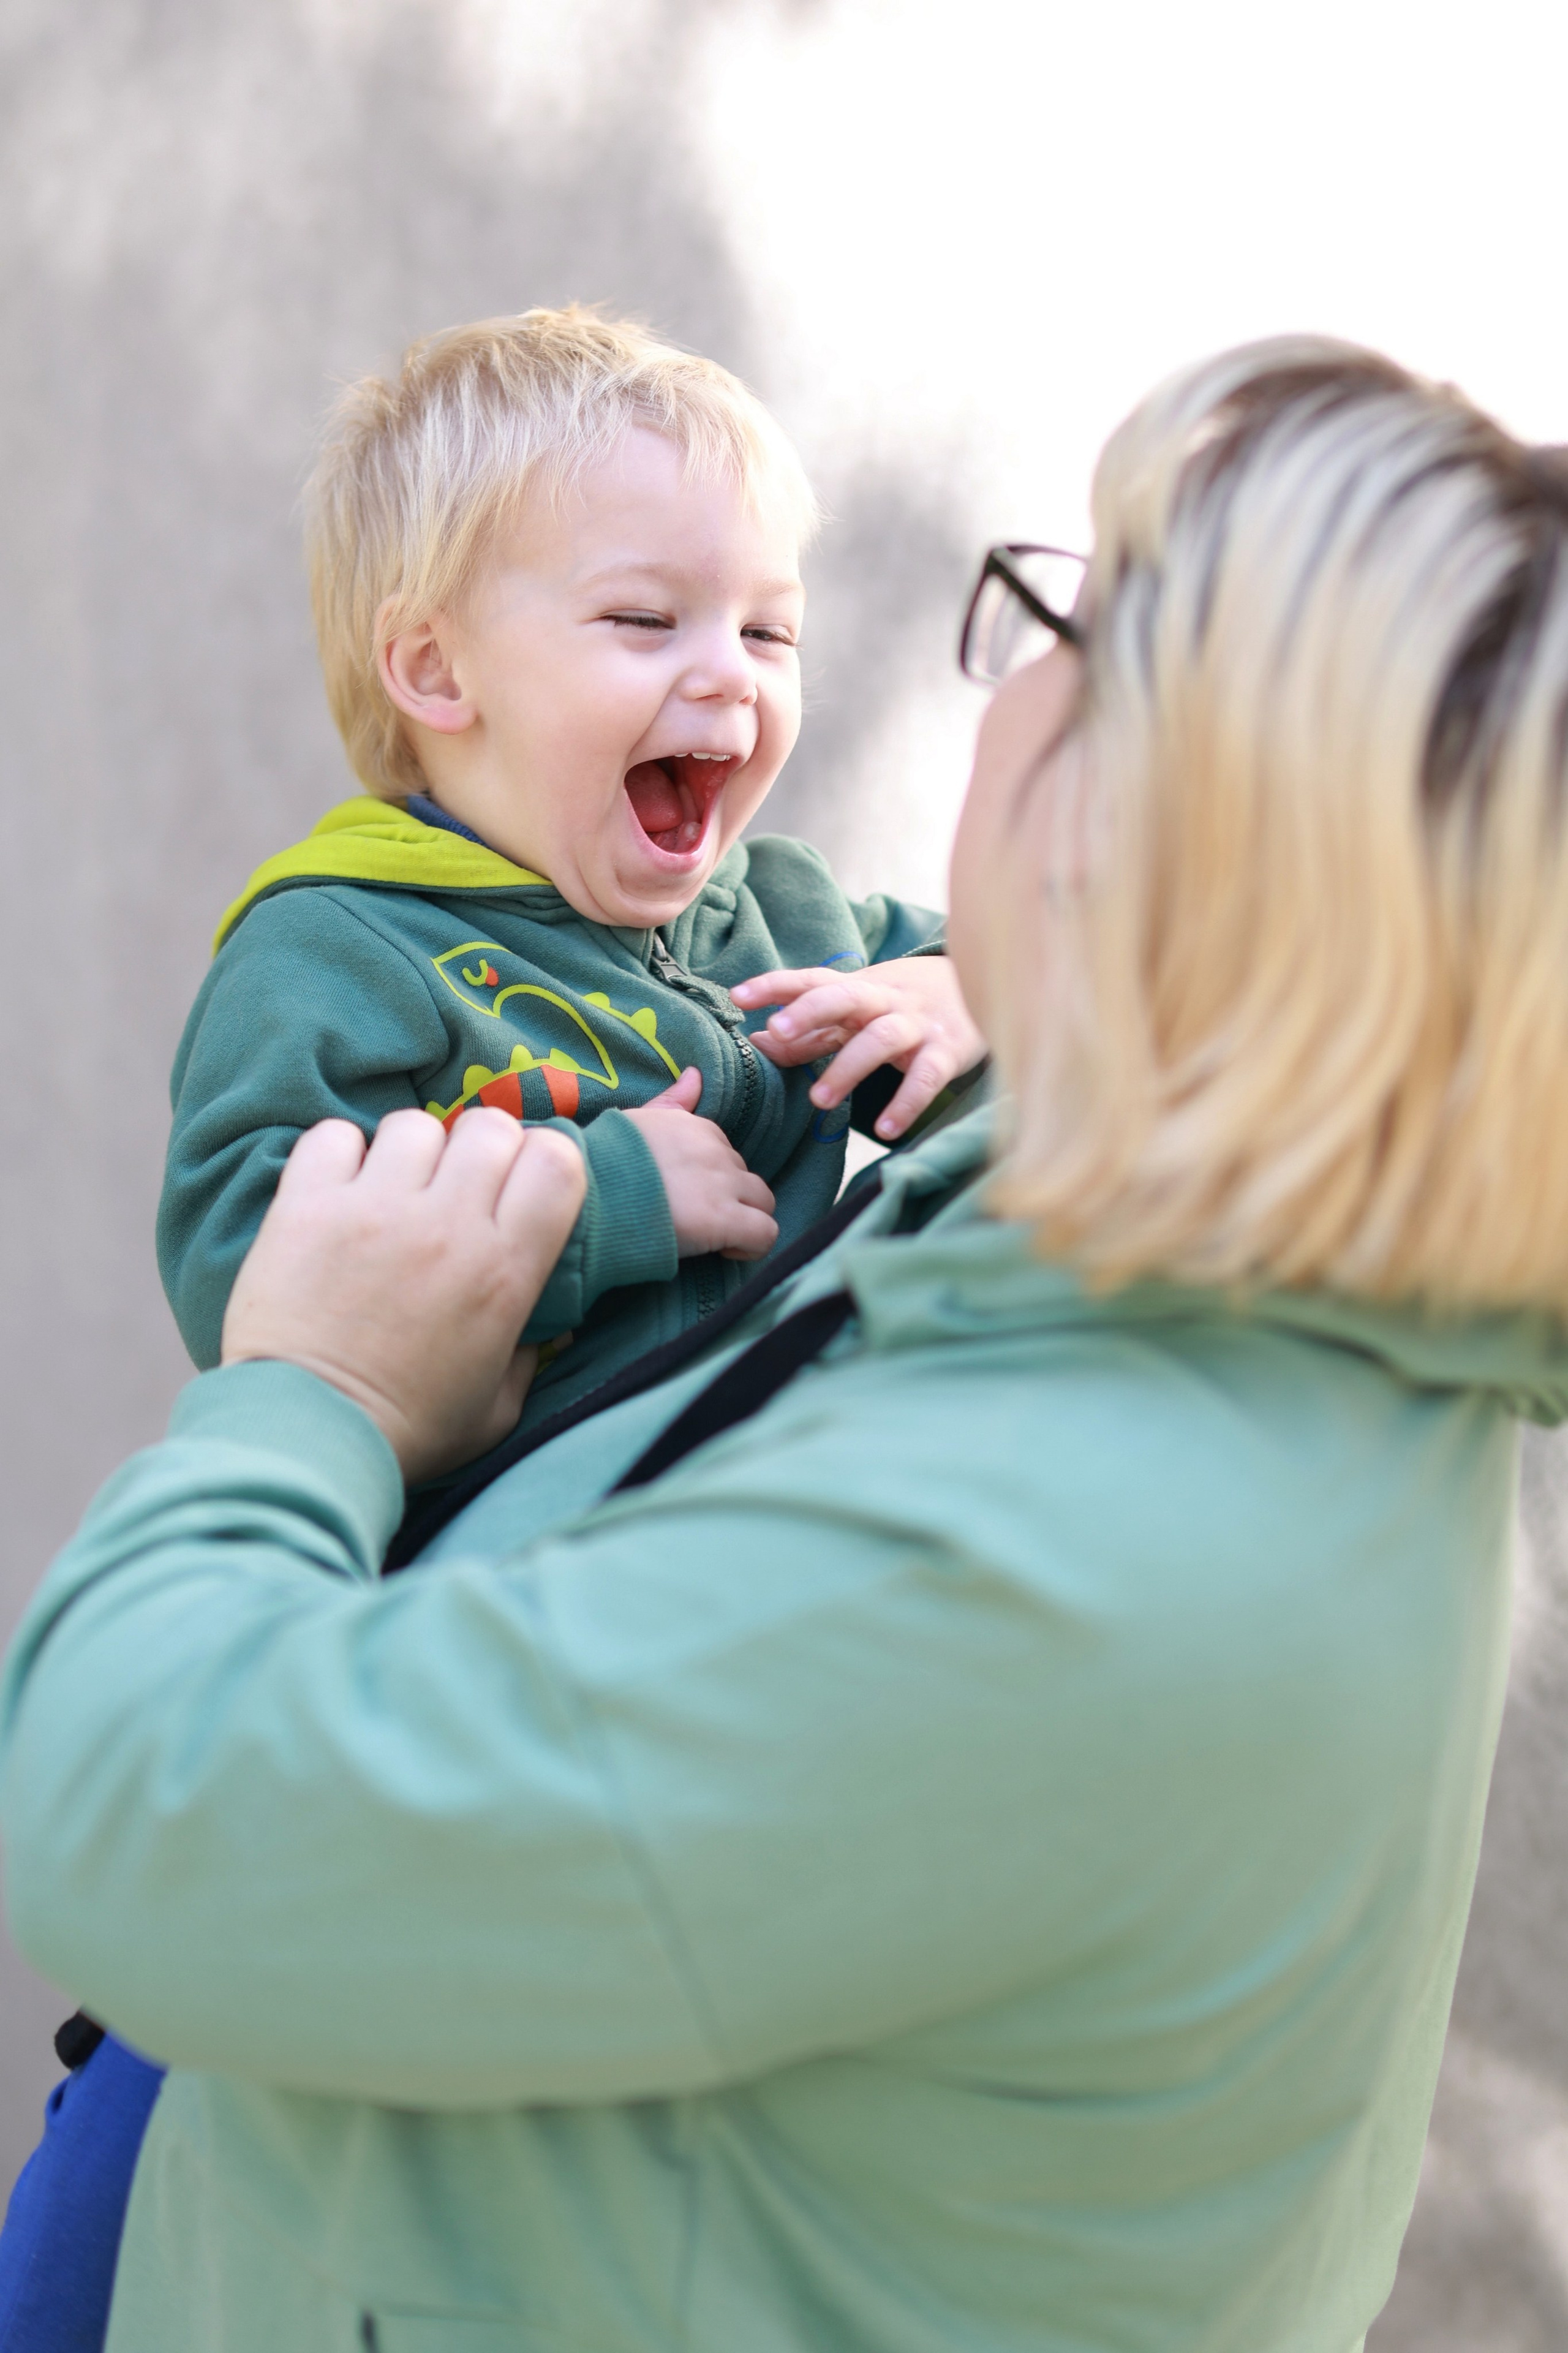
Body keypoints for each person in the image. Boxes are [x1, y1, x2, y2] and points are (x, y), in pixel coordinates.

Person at [7, 334, 1568, 2353]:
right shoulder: (1207, 1265)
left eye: (1068, 624)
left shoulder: (1049, 1566)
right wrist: (1027, 1022)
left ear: (1168, 815)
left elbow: (144, 1814)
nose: (1000, 686)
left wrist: (311, 1396)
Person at [156, 304, 984, 1432]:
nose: (732, 676)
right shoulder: (339, 952)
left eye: (768, 633)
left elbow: (1076, 1000)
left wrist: (963, 986)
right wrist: (598, 1203)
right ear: (439, 671)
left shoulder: (789, 913)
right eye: (647, 619)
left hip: (788, 1479)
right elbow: (243, 1261)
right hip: (513, 1542)